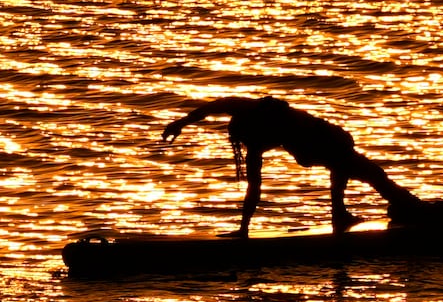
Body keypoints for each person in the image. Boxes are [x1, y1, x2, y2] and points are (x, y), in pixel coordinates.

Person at [160, 96, 424, 237]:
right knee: (358, 172)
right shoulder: (255, 141)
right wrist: (243, 229)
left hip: (329, 137)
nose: (243, 145)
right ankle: (341, 214)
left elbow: (213, 106)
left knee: (370, 175)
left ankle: (399, 210)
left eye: (243, 140)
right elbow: (254, 186)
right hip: (313, 147)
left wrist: (179, 123)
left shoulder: (249, 112)